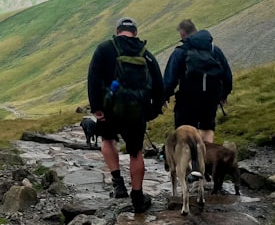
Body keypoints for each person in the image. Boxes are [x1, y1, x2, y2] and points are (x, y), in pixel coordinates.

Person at [87, 16, 165, 214]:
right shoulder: (145, 54)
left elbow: (93, 78)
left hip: (110, 109)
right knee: (136, 152)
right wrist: (153, 111)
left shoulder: (104, 49)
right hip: (136, 112)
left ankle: (118, 183)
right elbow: (158, 84)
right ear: (135, 32)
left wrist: (96, 107)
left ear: (117, 30)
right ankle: (138, 198)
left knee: (107, 140)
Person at [163, 19, 233, 144]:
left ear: (182, 34)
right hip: (211, 98)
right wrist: (224, 94)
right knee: (207, 128)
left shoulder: (180, 51)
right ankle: (206, 159)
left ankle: (187, 160)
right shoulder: (214, 50)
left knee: (184, 132)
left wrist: (164, 96)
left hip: (187, 99)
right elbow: (227, 75)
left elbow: (170, 79)